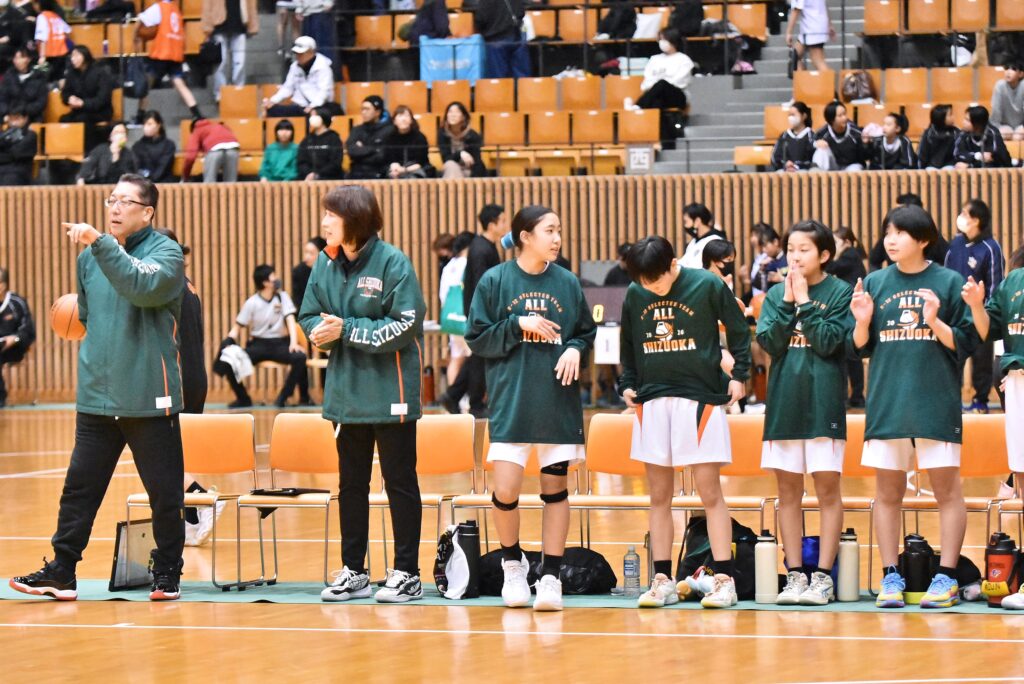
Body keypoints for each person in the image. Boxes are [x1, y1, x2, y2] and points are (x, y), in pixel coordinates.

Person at [9, 174, 187, 601]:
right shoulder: (89, 259)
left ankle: (167, 572)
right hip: (97, 394)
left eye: (126, 201)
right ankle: (62, 570)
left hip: (148, 394)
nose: (115, 208)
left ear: (148, 212)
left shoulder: (166, 253)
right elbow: (85, 317)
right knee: (79, 489)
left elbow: (141, 287)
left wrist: (100, 243)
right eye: (111, 200)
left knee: (164, 493)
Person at [301, 185, 427, 603]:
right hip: (346, 394)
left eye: (331, 215)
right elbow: (308, 314)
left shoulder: (393, 262)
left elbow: (406, 323)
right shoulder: (324, 262)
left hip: (392, 392)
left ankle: (407, 573)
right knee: (350, 485)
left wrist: (347, 329)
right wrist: (319, 332)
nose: (324, 222)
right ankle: (354, 571)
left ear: (353, 219)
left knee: (399, 483)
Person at [466, 205, 595, 612]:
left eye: (559, 231)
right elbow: (477, 338)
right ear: (525, 236)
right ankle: (513, 565)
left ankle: (551, 576)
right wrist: (518, 324)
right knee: (505, 490)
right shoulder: (495, 280)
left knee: (555, 489)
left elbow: (585, 332)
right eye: (549, 231)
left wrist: (575, 348)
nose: (557, 239)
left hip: (557, 402)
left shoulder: (567, 282)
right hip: (512, 401)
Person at [850, 204, 978, 609]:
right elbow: (860, 347)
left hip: (935, 403)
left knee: (947, 492)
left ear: (923, 239)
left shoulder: (948, 281)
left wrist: (935, 321)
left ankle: (947, 577)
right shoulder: (875, 282)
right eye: (888, 232)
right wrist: (862, 321)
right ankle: (891, 576)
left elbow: (965, 342)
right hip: (887, 404)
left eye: (900, 233)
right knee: (887, 494)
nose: (891, 240)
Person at [619, 236, 750, 609]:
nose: (652, 288)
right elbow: (629, 343)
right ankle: (662, 579)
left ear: (673, 264)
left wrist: (740, 374)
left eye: (657, 280)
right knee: (659, 496)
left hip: (699, 399)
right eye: (645, 282)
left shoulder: (706, 284)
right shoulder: (636, 293)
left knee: (710, 493)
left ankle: (724, 580)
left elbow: (738, 328)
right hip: (653, 401)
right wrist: (627, 384)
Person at [757, 221, 852, 605]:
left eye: (804, 250)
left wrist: (805, 303)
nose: (795, 257)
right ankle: (795, 574)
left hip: (823, 404)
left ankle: (823, 576)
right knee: (788, 493)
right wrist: (787, 300)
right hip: (784, 405)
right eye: (791, 249)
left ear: (824, 255)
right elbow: (770, 343)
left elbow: (829, 342)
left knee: (827, 490)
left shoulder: (840, 292)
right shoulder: (775, 294)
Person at [961, 248, 1024, 610]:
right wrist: (976, 305)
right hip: (1017, 381)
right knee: (1022, 478)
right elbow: (988, 330)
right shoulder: (1013, 282)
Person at [153, 227, 221, 546]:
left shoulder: (167, 287)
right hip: (194, 376)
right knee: (174, 454)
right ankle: (191, 517)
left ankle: (202, 501)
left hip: (177, 378)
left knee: (162, 455)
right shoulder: (187, 284)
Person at [438, 204, 507, 418]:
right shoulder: (481, 249)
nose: (506, 225)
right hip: (481, 313)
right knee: (479, 357)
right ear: (492, 224)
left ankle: (453, 395)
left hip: (483, 311)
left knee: (478, 357)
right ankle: (475, 403)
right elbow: (481, 284)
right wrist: (487, 314)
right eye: (503, 221)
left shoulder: (485, 246)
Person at [214, 264, 311, 408]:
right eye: (273, 276)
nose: (277, 279)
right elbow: (237, 328)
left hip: (280, 344)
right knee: (228, 362)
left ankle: (283, 397)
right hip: (258, 345)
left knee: (300, 357)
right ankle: (243, 398)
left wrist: (293, 342)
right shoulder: (251, 302)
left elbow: (291, 320)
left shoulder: (282, 297)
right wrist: (227, 342)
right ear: (265, 282)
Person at [944, 199, 1004, 414]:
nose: (959, 217)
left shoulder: (991, 247)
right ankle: (952, 402)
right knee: (953, 359)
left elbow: (995, 285)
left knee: (981, 361)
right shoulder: (955, 244)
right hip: (955, 315)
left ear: (976, 220)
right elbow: (945, 276)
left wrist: (985, 315)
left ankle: (980, 401)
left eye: (964, 213)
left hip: (979, 315)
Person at [136, 0, 203, 121]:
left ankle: (140, 115)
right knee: (179, 83)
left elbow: (141, 19)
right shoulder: (176, 10)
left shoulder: (159, 8)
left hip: (162, 52)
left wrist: (135, 35)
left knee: (146, 85)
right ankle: (197, 113)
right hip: (175, 52)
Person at [826, 225, 867, 407]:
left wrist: (829, 256)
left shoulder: (849, 255)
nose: (834, 246)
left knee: (848, 353)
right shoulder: (852, 255)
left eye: (836, 242)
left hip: (851, 308)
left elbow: (830, 267)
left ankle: (851, 397)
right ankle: (856, 396)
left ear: (847, 243)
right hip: (851, 306)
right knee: (851, 354)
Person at [262, 35, 339, 117]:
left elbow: (324, 92)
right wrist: (273, 101)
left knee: (318, 114)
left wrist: (312, 106)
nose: (298, 56)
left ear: (311, 52)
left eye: (301, 53)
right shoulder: (294, 67)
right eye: (296, 53)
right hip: (299, 106)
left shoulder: (323, 67)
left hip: (319, 106)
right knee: (272, 110)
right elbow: (287, 88)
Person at [868, 193, 949, 270]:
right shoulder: (890, 237)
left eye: (901, 211)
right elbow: (874, 260)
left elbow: (948, 260)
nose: (896, 214)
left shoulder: (933, 237)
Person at [201, 0, 259, 102]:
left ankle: (238, 90)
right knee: (221, 62)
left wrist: (252, 25)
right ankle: (220, 93)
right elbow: (207, 3)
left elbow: (251, 3)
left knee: (240, 62)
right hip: (218, 24)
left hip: (240, 23)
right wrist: (207, 26)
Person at [624, 28, 693, 111]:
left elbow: (680, 81)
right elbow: (648, 79)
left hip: (677, 95)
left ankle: (638, 105)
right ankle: (653, 118)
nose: (661, 42)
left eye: (664, 39)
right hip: (657, 95)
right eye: (660, 39)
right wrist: (655, 87)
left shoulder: (684, 60)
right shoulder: (654, 59)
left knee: (662, 84)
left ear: (673, 40)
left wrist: (659, 85)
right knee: (657, 101)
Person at [59, 46, 114, 150]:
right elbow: (65, 93)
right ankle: (68, 150)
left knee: (83, 119)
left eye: (76, 56)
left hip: (99, 111)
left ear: (85, 56)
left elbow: (103, 98)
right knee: (64, 119)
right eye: (72, 56)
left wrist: (84, 103)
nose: (73, 59)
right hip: (79, 110)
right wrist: (69, 98)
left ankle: (87, 151)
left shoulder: (100, 72)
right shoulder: (71, 73)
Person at [439, 231, 475, 387]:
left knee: (456, 358)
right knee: (473, 359)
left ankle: (452, 396)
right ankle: (468, 396)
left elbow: (443, 295)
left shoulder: (449, 266)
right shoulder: (469, 264)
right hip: (466, 318)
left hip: (451, 318)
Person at [0, 265, 35, 408]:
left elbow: (28, 330)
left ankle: (1, 397)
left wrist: (14, 339)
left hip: (15, 347)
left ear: (3, 285)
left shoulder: (17, 302)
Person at [474, 0, 527, 79]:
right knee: (520, 77)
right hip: (516, 37)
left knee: (498, 77)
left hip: (495, 40)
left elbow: (481, 19)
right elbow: (521, 12)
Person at [346, 95, 393, 180]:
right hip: (356, 174)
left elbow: (382, 156)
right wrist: (374, 149)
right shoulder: (357, 130)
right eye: (362, 109)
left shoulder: (389, 130)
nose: (363, 112)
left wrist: (362, 149)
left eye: (367, 109)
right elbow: (351, 151)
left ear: (377, 112)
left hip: (379, 175)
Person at [181, 117, 240, 183]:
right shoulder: (220, 125)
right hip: (233, 148)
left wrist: (185, 177)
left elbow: (190, 157)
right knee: (231, 183)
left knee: (209, 183)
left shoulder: (197, 130)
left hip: (214, 150)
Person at [438, 101, 485, 179]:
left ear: (463, 117)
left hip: (470, 171)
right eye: (450, 112)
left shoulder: (472, 135)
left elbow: (476, 161)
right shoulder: (443, 134)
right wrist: (460, 153)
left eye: (457, 112)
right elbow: (446, 159)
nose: (453, 115)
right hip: (451, 169)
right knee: (450, 165)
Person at [813, 101, 866, 171]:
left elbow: (864, 156)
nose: (844, 118)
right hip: (832, 166)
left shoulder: (855, 132)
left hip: (851, 166)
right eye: (840, 116)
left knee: (855, 170)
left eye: (844, 114)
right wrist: (815, 144)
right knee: (821, 150)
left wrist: (866, 144)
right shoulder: (823, 133)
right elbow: (810, 146)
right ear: (831, 119)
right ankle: (817, 174)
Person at [385, 105, 434, 179]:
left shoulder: (420, 137)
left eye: (406, 116)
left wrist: (404, 170)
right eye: (400, 116)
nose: (403, 119)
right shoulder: (389, 137)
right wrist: (394, 167)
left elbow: (421, 161)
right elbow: (389, 159)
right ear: (394, 121)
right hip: (396, 169)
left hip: (415, 169)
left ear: (411, 120)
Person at [297, 106, 343, 180]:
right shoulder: (307, 139)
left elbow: (335, 162)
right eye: (311, 116)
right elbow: (301, 161)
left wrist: (318, 174)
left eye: (315, 115)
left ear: (323, 116)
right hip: (308, 178)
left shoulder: (334, 138)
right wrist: (309, 173)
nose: (312, 118)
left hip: (330, 178)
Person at [786, 0, 834, 73]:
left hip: (812, 28)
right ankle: (803, 78)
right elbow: (824, 5)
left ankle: (830, 80)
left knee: (817, 60)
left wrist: (789, 32)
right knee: (795, 57)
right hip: (814, 26)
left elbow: (796, 10)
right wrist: (829, 24)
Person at [0, 48, 46, 122]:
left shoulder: (39, 77)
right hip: (9, 116)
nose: (18, 61)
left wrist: (23, 112)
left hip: (31, 118)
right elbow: (2, 99)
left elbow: (41, 102)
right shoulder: (8, 76)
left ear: (28, 59)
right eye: (15, 58)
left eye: (21, 57)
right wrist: (8, 113)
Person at [132, 110, 177, 183]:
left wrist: (151, 180)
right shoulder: (137, 146)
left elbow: (163, 167)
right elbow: (137, 167)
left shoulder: (168, 145)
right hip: (143, 184)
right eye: (144, 124)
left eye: (149, 124)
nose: (146, 127)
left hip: (164, 183)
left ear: (158, 125)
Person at [771, 101, 816, 172]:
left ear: (804, 116)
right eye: (789, 115)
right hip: (786, 171)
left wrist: (797, 166)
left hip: (805, 171)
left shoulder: (811, 135)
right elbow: (775, 157)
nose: (791, 117)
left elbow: (814, 159)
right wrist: (786, 164)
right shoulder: (784, 136)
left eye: (793, 114)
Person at [295, 0, 336, 77]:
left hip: (321, 12)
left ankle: (328, 74)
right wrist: (298, 7)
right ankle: (308, 75)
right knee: (307, 48)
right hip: (306, 14)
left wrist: (328, 2)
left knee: (324, 48)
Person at [678, 203, 725, 269]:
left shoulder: (715, 241)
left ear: (697, 221)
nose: (685, 225)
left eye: (686, 222)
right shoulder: (694, 241)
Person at [33, 0, 69, 81]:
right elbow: (67, 31)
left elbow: (42, 37)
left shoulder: (42, 16)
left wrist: (42, 56)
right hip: (62, 52)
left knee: (48, 80)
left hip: (49, 54)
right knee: (60, 79)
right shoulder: (56, 16)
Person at [0, 107, 37, 186]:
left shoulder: (30, 135)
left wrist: (5, 148)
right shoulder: (3, 135)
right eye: (11, 119)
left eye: (17, 119)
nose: (13, 123)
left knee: (10, 179)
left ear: (25, 119)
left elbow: (17, 153)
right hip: (2, 167)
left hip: (19, 170)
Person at [917, 104, 959, 170]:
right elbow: (922, 154)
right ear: (941, 118)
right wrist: (921, 169)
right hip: (931, 167)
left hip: (950, 165)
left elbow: (959, 153)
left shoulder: (956, 132)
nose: (953, 117)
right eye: (950, 114)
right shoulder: (928, 134)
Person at [291, 235, 326, 311]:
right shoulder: (298, 272)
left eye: (311, 253)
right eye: (306, 252)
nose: (307, 257)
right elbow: (298, 300)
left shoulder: (331, 269)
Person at [990, 63, 1024, 141]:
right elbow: (996, 110)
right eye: (1006, 68)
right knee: (1001, 135)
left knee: (1018, 137)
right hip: (1003, 125)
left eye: (1013, 69)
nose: (1008, 72)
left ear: (1021, 74)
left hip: (1021, 125)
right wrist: (996, 128)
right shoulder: (1000, 85)